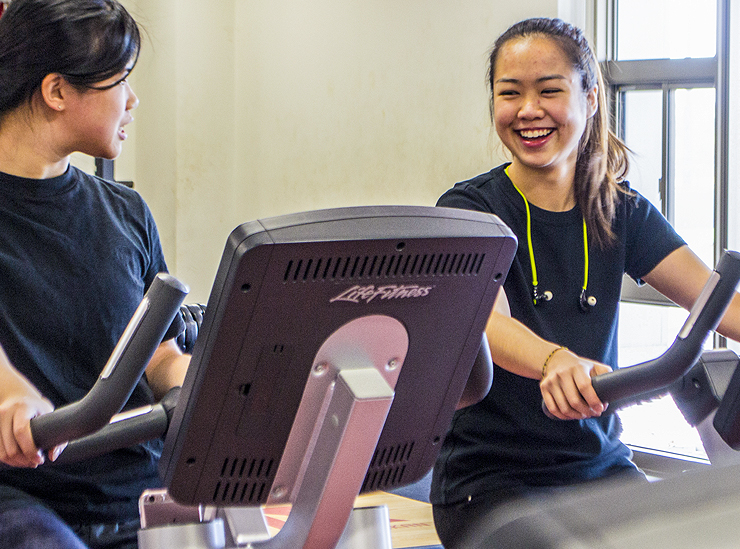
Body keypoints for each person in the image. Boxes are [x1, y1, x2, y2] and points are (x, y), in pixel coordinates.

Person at [430, 17, 740, 548]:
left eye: (549, 91)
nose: (529, 110)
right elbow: (488, 322)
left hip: (600, 469)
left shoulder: (619, 212)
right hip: (491, 486)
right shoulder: (469, 211)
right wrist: (554, 360)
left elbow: (722, 303)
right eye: (510, 94)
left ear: (590, 98)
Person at [0, 1, 189, 548]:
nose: (133, 100)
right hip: (26, 501)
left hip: (140, 496)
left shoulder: (125, 213)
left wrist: (197, 387)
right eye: (121, 80)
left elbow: (155, 350)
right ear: (57, 91)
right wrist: (12, 398)